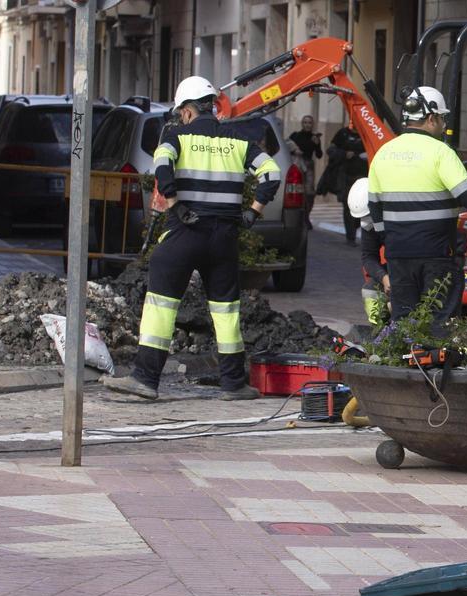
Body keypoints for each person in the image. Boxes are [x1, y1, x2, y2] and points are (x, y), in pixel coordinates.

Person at [103, 76, 281, 401]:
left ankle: (145, 378)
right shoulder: (238, 139)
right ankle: (233, 383)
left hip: (187, 230)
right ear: (211, 105)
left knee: (161, 303)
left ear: (186, 110)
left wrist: (173, 203)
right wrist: (252, 213)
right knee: (226, 309)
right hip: (224, 237)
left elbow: (161, 163)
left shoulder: (176, 135)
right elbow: (272, 173)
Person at [367, 85, 467, 334]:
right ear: (431, 118)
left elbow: (375, 209)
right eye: (442, 118)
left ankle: (402, 368)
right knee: (439, 322)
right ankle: (434, 369)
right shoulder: (441, 152)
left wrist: (390, 239)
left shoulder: (383, 153)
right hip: (436, 254)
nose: (443, 125)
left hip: (399, 254)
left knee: (403, 323)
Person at [346, 177, 389, 328]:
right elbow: (369, 257)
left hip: (413, 264)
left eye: (368, 216)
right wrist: (383, 277)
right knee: (370, 291)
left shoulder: (397, 217)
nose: (366, 221)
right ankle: (379, 331)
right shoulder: (368, 224)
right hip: (395, 267)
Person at [318, 120, 367, 245]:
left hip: (362, 177)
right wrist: (344, 154)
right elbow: (331, 150)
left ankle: (354, 227)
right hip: (345, 177)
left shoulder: (365, 134)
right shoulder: (343, 133)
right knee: (348, 206)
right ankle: (350, 236)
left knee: (362, 206)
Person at [287, 115, 323, 198]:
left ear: (312, 125)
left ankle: (307, 208)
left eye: (309, 123)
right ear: (302, 124)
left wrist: (317, 144)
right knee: (295, 188)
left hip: (308, 164)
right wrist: (294, 150)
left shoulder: (314, 137)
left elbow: (319, 155)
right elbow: (287, 147)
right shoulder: (295, 135)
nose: (307, 125)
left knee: (309, 191)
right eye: (305, 122)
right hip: (296, 163)